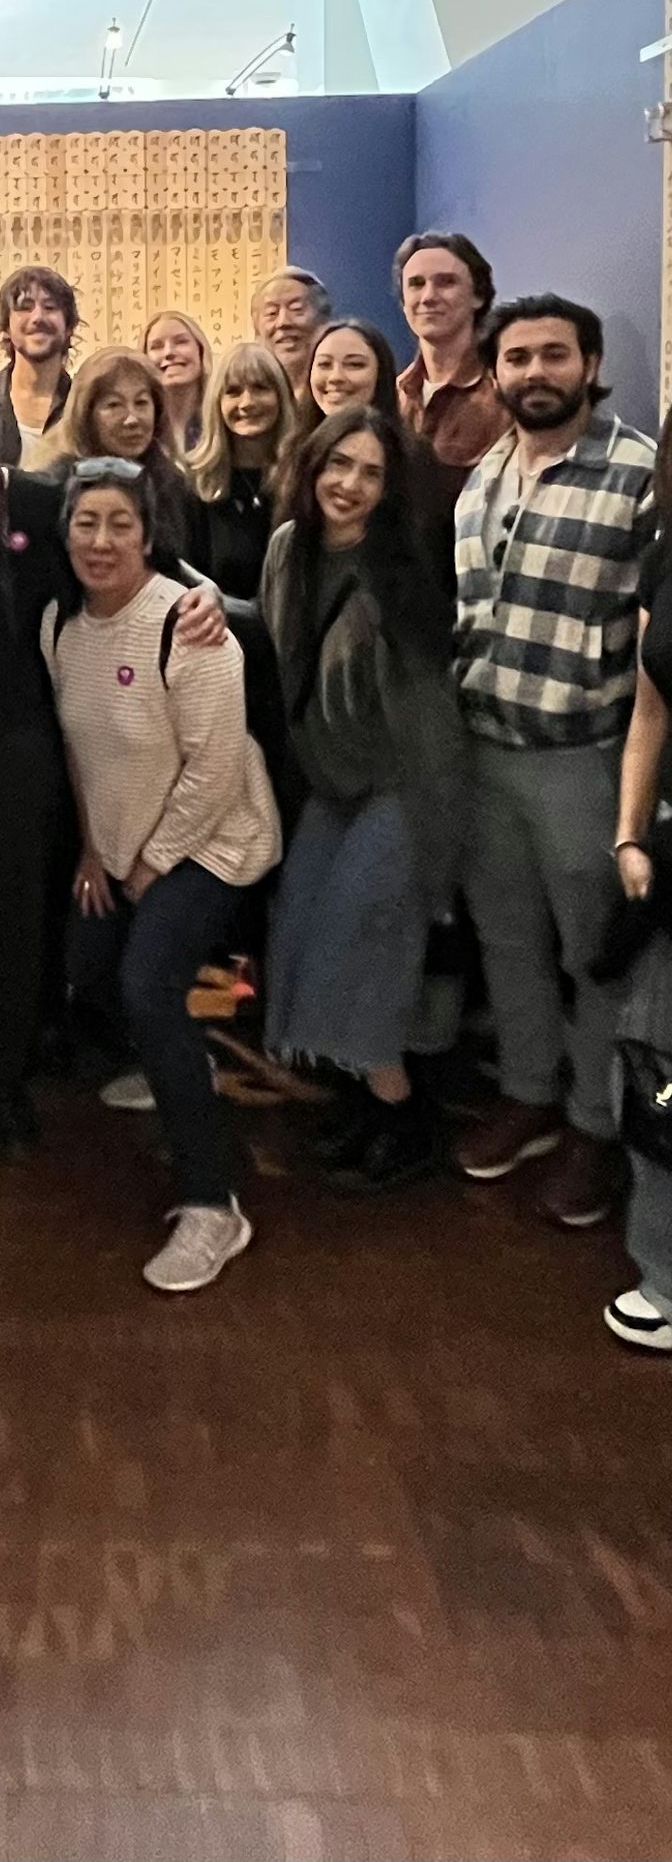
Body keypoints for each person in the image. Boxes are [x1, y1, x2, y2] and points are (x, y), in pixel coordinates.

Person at [0, 357, 226, 1184]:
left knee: (15, 929)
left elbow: (127, 555)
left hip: (26, 748)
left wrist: (203, 592)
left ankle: (4, 1089)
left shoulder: (36, 500)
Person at [43, 459, 281, 1292]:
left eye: (120, 524)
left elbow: (215, 768)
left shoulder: (187, 625)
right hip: (118, 842)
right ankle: (177, 1061)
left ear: (149, 535)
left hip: (216, 841)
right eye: (86, 523)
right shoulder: (60, 625)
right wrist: (90, 848)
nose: (101, 541)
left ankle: (213, 1204)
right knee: (85, 964)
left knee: (150, 983)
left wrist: (148, 863)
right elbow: (79, 749)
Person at [452, 294, 655, 1228]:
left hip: (584, 758)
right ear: (495, 372)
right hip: (483, 751)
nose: (535, 373)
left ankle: (595, 1125)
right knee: (508, 943)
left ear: (590, 361)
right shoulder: (485, 472)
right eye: (519, 358)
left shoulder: (641, 477)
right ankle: (529, 1093)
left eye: (554, 356)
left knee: (594, 957)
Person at [259, 409, 464, 1191]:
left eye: (370, 472)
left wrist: (436, 863)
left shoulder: (397, 575)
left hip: (403, 787)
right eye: (337, 464)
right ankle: (361, 1102)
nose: (348, 484)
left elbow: (431, 732)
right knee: (304, 935)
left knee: (362, 948)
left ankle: (404, 1118)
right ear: (311, 466)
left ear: (391, 488)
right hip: (329, 780)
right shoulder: (288, 551)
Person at [607, 399, 672, 1349]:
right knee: (658, 1056)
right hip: (670, 839)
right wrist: (629, 832)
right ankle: (664, 1266)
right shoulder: (665, 547)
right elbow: (651, 707)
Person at [394, 230, 510, 510]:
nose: (428, 296)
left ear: (478, 297)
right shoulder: (393, 394)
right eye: (416, 284)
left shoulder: (503, 394)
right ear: (403, 301)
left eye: (446, 282)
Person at [45, 348, 196, 556]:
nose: (132, 419)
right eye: (114, 405)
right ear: (86, 415)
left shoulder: (173, 484)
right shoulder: (53, 486)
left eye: (141, 403)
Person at [184, 342, 303, 601]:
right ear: (217, 402)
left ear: (281, 396)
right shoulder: (192, 485)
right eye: (233, 392)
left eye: (260, 388)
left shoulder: (306, 478)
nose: (247, 402)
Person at [0, 264, 79, 468]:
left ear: (69, 326)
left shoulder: (84, 405)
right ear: (6, 326)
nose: (37, 318)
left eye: (50, 307)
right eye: (25, 307)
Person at [141, 309, 212, 455]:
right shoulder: (138, 427)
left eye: (181, 342)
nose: (169, 352)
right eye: (157, 346)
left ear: (201, 350)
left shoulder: (222, 420)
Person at [253, 267, 331, 398]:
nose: (283, 322)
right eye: (271, 313)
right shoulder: (248, 397)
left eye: (296, 309)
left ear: (322, 320)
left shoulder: (336, 388)